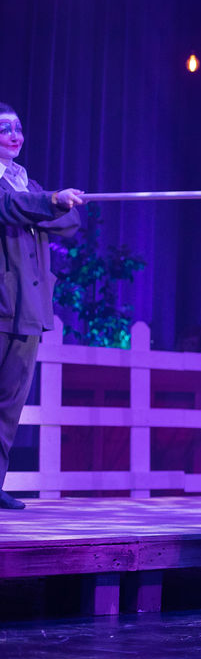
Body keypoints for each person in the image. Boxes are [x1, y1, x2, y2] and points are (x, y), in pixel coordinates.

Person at [0, 102, 82, 511]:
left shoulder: (26, 183)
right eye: (4, 129)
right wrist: (48, 201)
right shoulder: (16, 190)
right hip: (1, 304)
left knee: (9, 404)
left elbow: (68, 223)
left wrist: (50, 203)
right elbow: (9, 207)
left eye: (18, 128)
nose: (15, 135)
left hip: (28, 308)